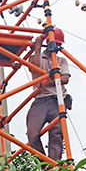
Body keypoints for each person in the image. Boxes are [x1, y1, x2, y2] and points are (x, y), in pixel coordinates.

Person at [26, 27, 71, 162]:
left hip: (58, 100)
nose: (55, 46)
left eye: (58, 44)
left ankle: (54, 163)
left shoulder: (61, 60)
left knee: (57, 133)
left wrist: (49, 81)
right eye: (54, 43)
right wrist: (38, 46)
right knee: (32, 133)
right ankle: (44, 163)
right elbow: (35, 68)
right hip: (41, 99)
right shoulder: (37, 57)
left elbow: (65, 78)